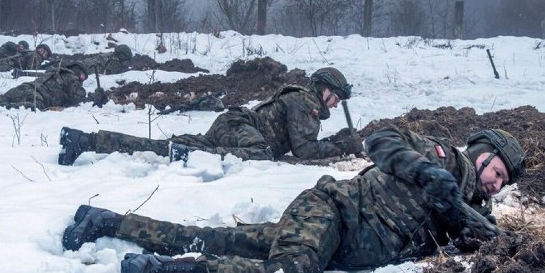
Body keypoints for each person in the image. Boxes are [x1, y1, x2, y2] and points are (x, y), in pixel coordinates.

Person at [61, 126, 526, 273]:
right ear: (481, 153)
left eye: (503, 182)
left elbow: (491, 241)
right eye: (497, 172)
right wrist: (427, 174)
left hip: (335, 248)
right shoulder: (435, 155)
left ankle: (105, 221)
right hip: (330, 214)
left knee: (218, 237)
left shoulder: (474, 212)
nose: (497, 184)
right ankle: (165, 269)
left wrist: (456, 210)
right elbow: (379, 140)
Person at [56, 67, 364, 166]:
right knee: (260, 155)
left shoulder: (302, 100)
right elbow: (305, 150)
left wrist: (338, 140)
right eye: (335, 97)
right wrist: (342, 147)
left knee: (158, 148)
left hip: (232, 125)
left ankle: (86, 141)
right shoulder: (305, 102)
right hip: (240, 128)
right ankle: (195, 155)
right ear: (323, 89)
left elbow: (303, 142)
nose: (335, 104)